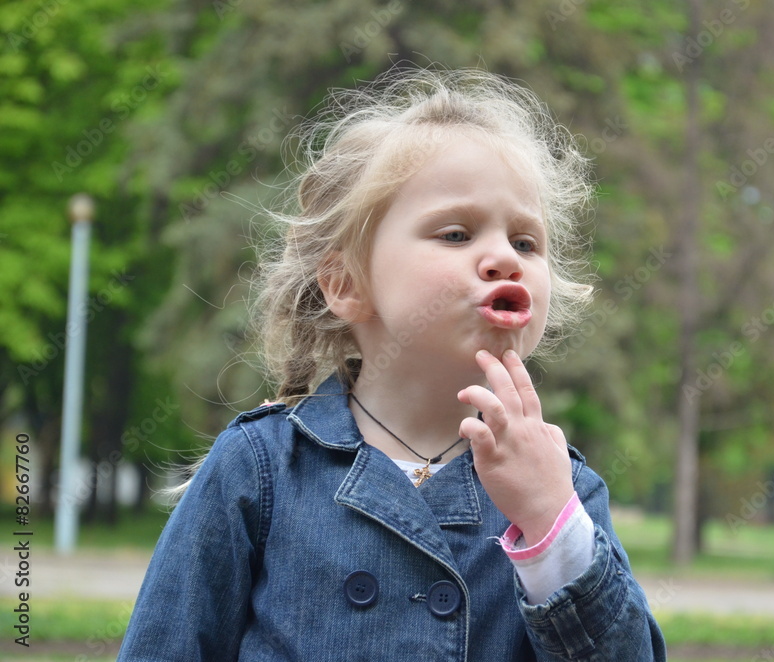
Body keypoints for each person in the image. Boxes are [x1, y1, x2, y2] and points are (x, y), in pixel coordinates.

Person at [119, 67, 667, 661]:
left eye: (526, 242)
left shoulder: (562, 486)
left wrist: (549, 525)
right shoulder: (262, 467)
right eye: (456, 234)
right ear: (347, 283)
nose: (504, 258)